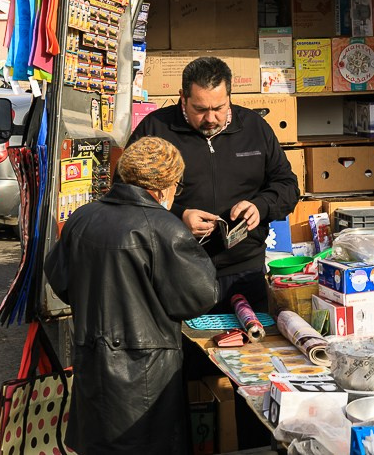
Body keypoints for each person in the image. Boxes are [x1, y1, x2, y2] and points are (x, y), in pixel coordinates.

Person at [46, 136, 218, 455]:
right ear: (163, 187)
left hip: (93, 366)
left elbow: (60, 281)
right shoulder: (164, 228)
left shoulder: (82, 218)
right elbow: (200, 298)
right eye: (176, 186)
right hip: (145, 378)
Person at [128, 56, 299, 312]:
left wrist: (260, 206)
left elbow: (288, 186)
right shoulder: (155, 129)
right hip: (177, 270)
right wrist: (178, 217)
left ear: (230, 95)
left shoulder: (255, 128)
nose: (211, 118)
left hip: (244, 271)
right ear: (182, 97)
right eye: (200, 109)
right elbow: (127, 195)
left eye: (219, 107)